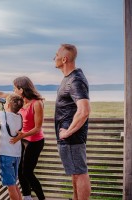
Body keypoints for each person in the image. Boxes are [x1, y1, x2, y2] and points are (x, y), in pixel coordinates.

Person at [0, 76, 46, 200]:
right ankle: (27, 196)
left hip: (34, 141)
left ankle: (41, 198)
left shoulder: (37, 103)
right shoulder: (17, 100)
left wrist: (22, 135)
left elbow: (37, 127)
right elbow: (1, 94)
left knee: (28, 172)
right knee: (19, 170)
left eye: (15, 88)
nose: (13, 91)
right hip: (21, 138)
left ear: (21, 89)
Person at [53, 44, 91, 200]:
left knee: (80, 172)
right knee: (75, 171)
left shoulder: (75, 80)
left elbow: (84, 110)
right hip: (68, 137)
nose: (53, 58)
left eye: (55, 55)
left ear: (64, 59)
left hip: (71, 136)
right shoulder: (69, 78)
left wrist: (68, 132)